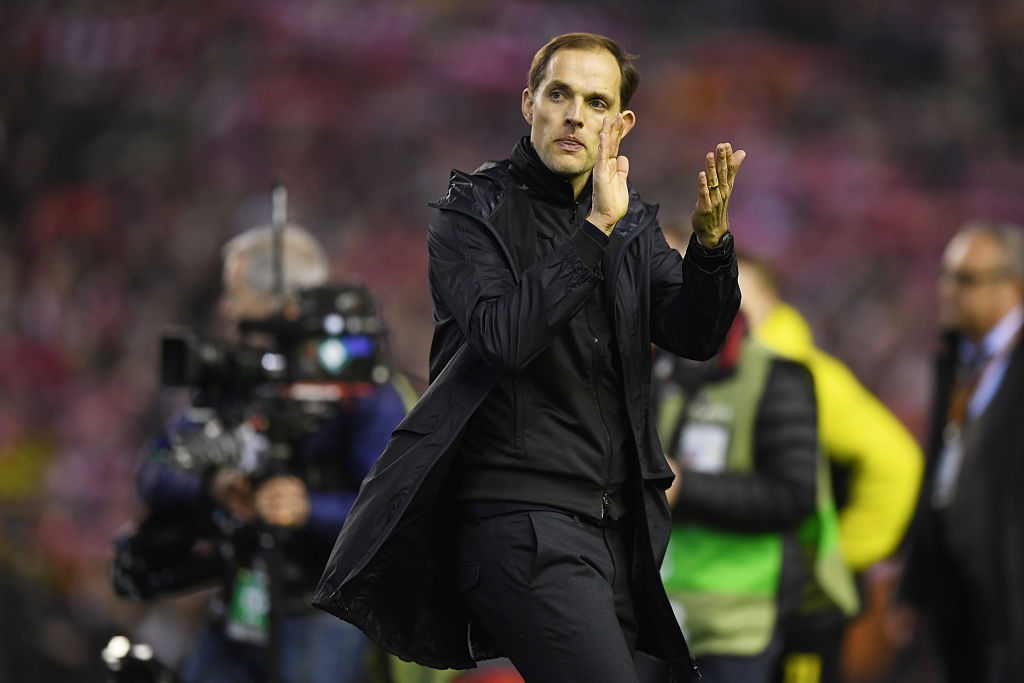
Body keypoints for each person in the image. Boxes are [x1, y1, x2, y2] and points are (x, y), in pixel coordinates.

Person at [314, 32, 743, 682]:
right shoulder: (472, 210)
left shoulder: (631, 221)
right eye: (559, 94)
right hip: (516, 518)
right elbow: (504, 338)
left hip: (614, 527)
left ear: (621, 125)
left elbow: (695, 333)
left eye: (596, 102)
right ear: (528, 103)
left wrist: (709, 249)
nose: (575, 115)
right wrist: (594, 231)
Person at [131, 224, 409, 683]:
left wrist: (306, 508)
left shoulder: (364, 394)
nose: (225, 307)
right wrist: (213, 487)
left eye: (234, 293)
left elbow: (391, 517)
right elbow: (155, 470)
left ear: (283, 304)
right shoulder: (235, 377)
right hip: (238, 601)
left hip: (319, 618)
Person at [734, 251, 923, 682]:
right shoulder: (727, 371)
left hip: (795, 608)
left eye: (740, 292)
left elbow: (896, 465)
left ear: (772, 300)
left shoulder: (801, 375)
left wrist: (835, 558)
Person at [652, 310, 842, 683]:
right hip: (651, 617)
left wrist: (685, 487)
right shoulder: (652, 365)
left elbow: (793, 495)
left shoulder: (777, 375)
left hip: (737, 629)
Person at [899, 222, 1024, 682]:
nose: (948, 290)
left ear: (1012, 286)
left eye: (966, 279)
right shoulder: (957, 360)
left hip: (1010, 594)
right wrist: (913, 585)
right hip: (957, 597)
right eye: (946, 276)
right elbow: (939, 471)